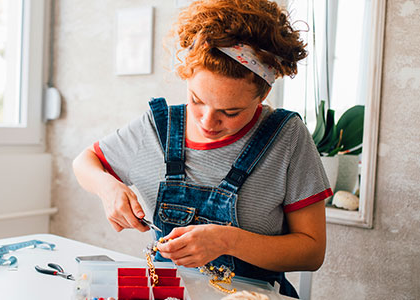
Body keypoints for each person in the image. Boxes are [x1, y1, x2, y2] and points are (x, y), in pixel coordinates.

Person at [72, 0, 331, 297]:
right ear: (187, 74)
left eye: (231, 112)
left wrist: (226, 241)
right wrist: (109, 189)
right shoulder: (159, 127)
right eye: (196, 99)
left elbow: (311, 253)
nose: (208, 121)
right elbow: (85, 162)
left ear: (264, 93)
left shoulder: (287, 138)